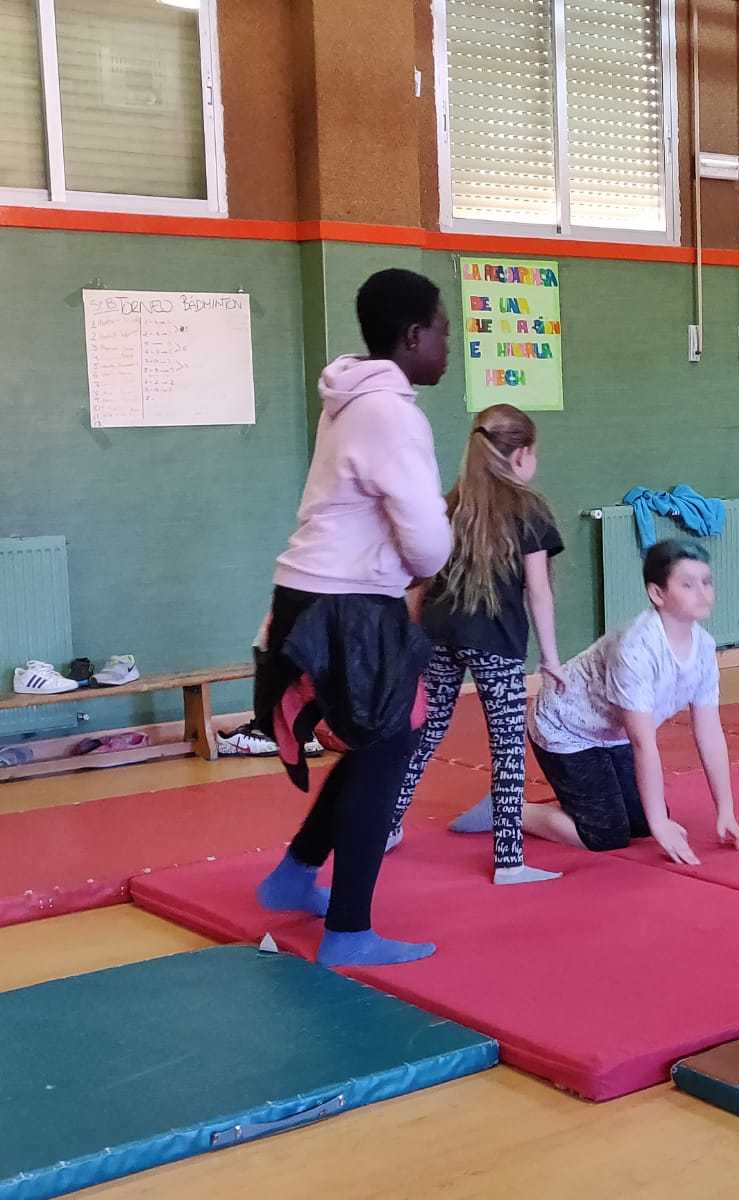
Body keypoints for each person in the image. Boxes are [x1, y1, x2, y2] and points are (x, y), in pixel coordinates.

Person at [253, 268, 453, 967]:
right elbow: (426, 540)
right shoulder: (391, 414)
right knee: (389, 747)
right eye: (443, 330)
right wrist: (431, 556)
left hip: (309, 594)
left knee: (378, 743)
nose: (448, 345)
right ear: (413, 335)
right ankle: (348, 932)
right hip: (346, 604)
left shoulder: (349, 400)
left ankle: (295, 874)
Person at [451, 539, 739, 865]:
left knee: (641, 823)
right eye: (688, 584)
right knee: (605, 834)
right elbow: (643, 743)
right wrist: (660, 825)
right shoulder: (636, 648)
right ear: (657, 594)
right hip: (565, 727)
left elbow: (709, 732)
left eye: (707, 582)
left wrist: (725, 811)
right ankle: (509, 808)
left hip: (612, 732)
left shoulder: (704, 648)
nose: (703, 592)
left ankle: (586, 799)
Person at [384, 405, 568, 886]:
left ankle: (386, 824)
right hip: (494, 642)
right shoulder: (528, 508)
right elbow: (538, 591)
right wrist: (550, 658)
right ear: (522, 454)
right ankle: (509, 859)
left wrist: (411, 638)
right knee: (507, 746)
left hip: (439, 633)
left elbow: (420, 581)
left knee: (427, 732)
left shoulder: (452, 503)